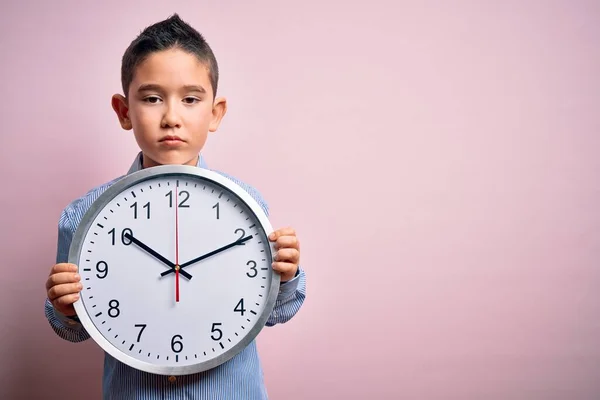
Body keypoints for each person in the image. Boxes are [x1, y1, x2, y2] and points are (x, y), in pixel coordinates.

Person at [44, 14, 306, 400]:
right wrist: (64, 306)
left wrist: (287, 274)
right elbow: (74, 328)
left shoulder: (248, 206)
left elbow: (278, 312)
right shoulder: (85, 215)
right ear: (123, 111)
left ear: (215, 112)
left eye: (190, 99)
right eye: (152, 98)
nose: (171, 117)